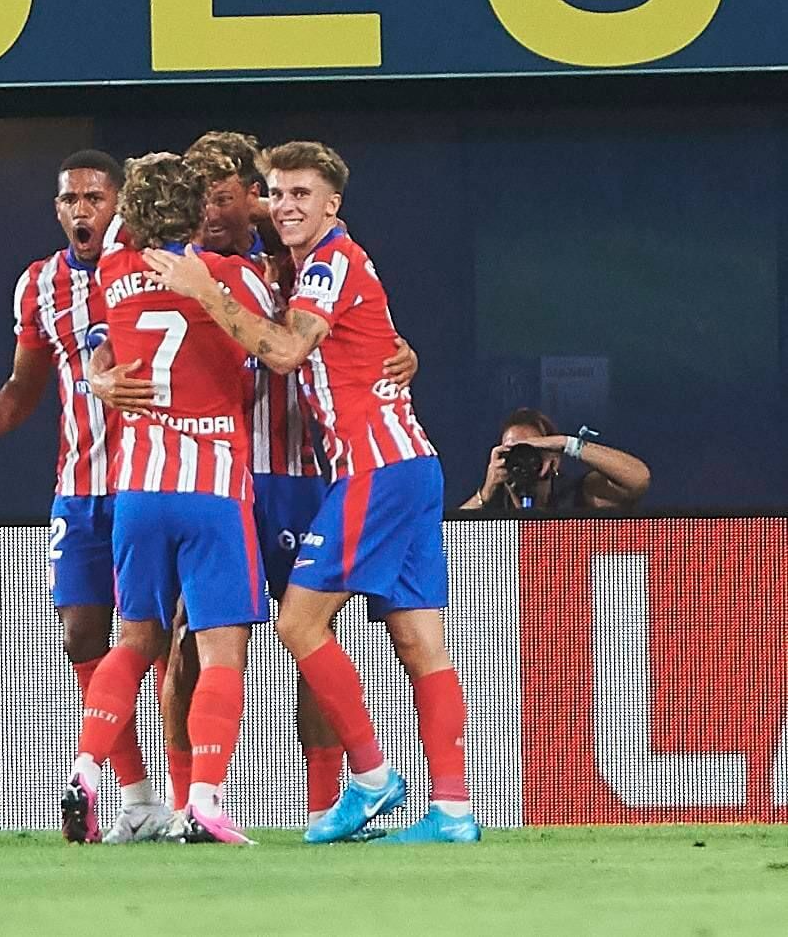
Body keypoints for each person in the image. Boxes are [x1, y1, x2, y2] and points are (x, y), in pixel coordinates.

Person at [144, 140, 479, 844]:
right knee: (422, 644)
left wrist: (204, 291)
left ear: (333, 204)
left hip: (373, 468)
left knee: (298, 624)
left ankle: (371, 776)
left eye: (303, 194)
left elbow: (289, 351)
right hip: (412, 461)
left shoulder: (326, 263)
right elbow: (364, 336)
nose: (288, 205)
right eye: (280, 192)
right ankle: (452, 810)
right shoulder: (313, 264)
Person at [92, 131, 417, 830]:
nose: (211, 211)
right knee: (187, 636)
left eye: (228, 196)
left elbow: (359, 326)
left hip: (299, 471)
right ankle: (188, 802)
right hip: (230, 477)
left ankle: (327, 801)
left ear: (253, 200)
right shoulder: (188, 266)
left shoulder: (294, 261)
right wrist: (98, 366)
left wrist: (401, 349)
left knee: (306, 638)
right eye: (201, 198)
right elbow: (108, 310)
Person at [0, 150, 170, 842]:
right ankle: (136, 798)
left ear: (119, 204)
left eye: (94, 197)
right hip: (79, 490)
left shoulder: (159, 266)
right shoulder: (39, 284)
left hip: (151, 483)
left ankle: (190, 800)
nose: (80, 210)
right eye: (69, 200)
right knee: (81, 638)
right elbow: (23, 387)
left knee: (160, 643)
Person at [63, 150, 270, 846]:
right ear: (199, 211)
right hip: (212, 486)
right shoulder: (235, 276)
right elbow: (268, 350)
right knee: (220, 651)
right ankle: (205, 798)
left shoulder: (114, 275)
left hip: (138, 487)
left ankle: (88, 765)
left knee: (134, 642)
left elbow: (100, 330)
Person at [459, 407, 650, 511]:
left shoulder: (576, 495)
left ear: (554, 459)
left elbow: (638, 480)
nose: (521, 459)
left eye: (531, 450)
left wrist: (567, 444)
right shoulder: (491, 504)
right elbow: (443, 542)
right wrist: (485, 493)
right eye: (513, 452)